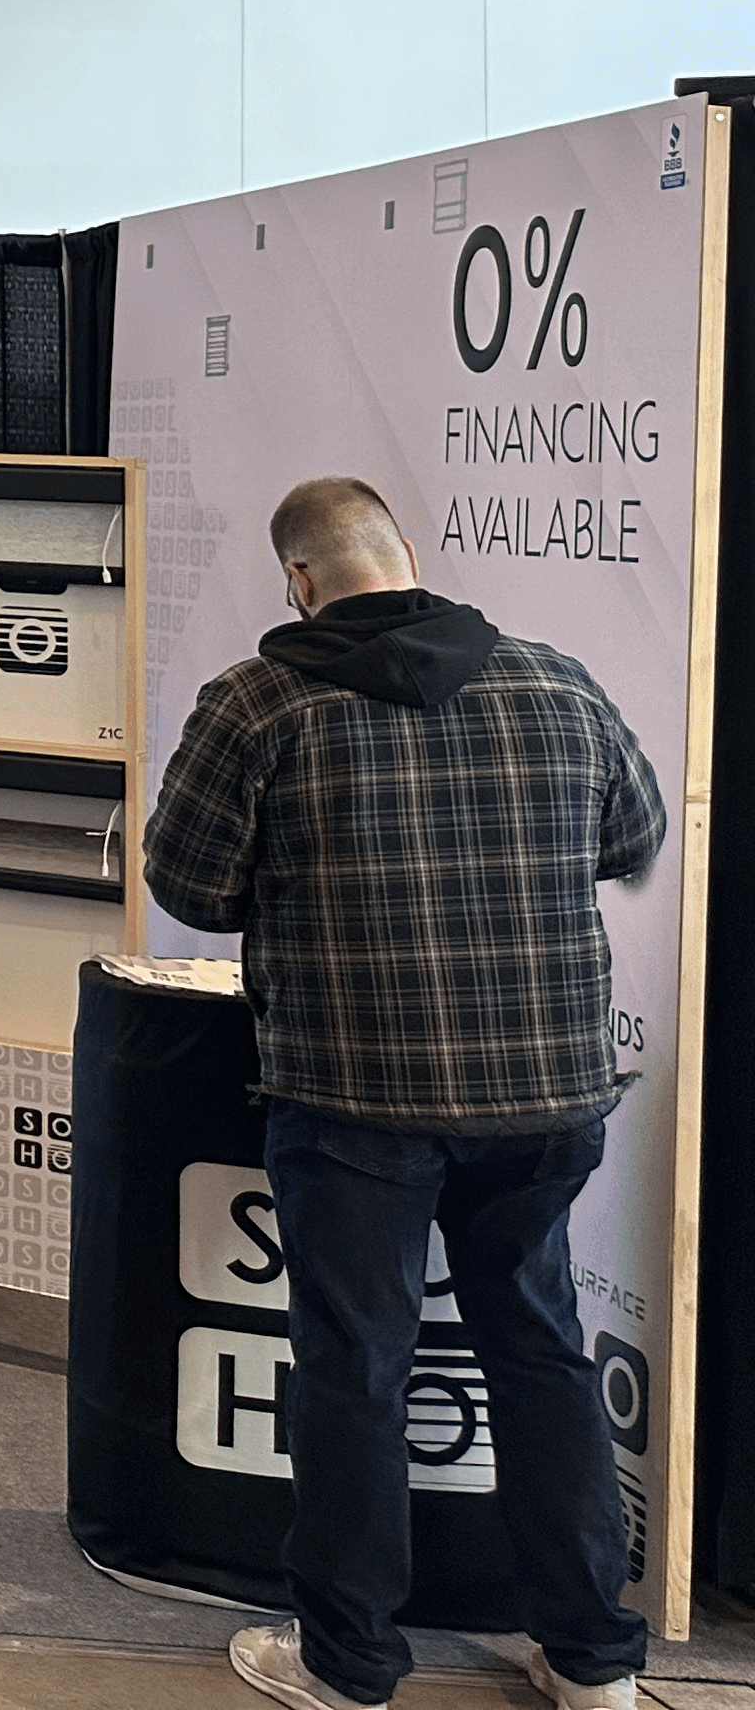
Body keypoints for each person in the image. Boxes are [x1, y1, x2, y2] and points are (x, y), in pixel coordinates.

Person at [148, 478, 665, 1710]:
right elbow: (633, 836)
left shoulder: (258, 702)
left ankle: (350, 1664)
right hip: (544, 1098)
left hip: (352, 1093)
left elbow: (189, 885)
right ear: (409, 557)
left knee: (355, 1373)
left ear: (299, 582)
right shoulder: (555, 680)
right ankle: (593, 1660)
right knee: (540, 1355)